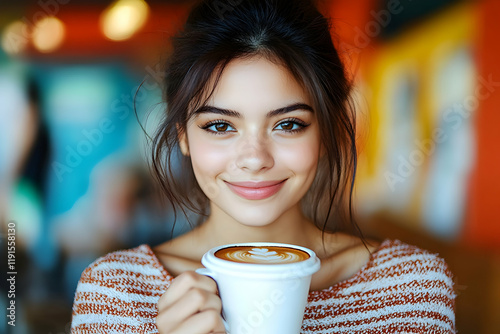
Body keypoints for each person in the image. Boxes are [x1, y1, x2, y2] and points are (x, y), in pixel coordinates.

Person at [70, 0, 456, 333]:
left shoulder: (411, 286)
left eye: (288, 124)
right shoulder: (115, 294)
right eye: (220, 126)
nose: (255, 158)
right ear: (182, 135)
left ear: (327, 131)